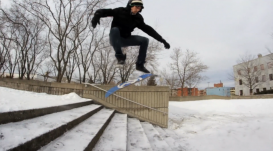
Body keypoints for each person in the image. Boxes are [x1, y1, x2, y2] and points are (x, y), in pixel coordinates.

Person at [91, 0, 170, 73]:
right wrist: (97, 15)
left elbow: (148, 30)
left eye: (140, 8)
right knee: (115, 29)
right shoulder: (120, 11)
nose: (138, 10)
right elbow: (106, 11)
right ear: (130, 6)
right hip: (115, 39)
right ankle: (120, 57)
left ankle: (140, 65)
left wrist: (162, 40)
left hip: (127, 39)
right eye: (136, 7)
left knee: (145, 40)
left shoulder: (138, 18)